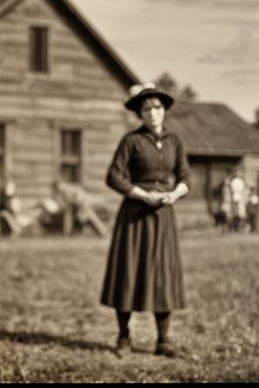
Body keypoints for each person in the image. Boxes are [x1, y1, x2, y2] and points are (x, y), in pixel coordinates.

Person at [100, 83, 189, 358]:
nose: (152, 113)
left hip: (163, 214)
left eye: (157, 107)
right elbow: (114, 176)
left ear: (164, 111)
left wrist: (173, 195)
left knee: (163, 271)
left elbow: (186, 177)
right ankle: (124, 336)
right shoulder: (131, 141)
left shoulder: (175, 141)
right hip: (135, 215)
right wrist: (143, 195)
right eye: (146, 108)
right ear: (140, 113)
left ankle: (163, 339)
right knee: (130, 270)